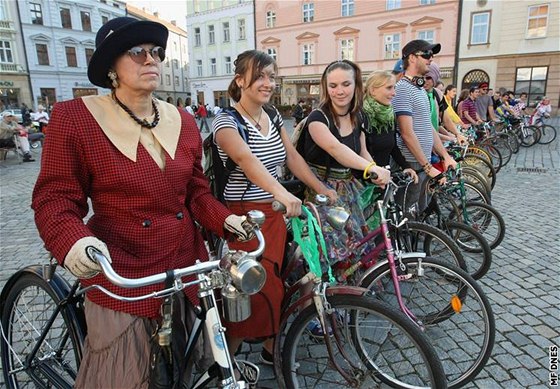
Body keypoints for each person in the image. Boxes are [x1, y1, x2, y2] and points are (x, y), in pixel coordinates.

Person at [31, 17, 254, 388]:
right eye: (137, 52)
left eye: (156, 52)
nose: (151, 59)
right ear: (111, 68)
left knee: (182, 363)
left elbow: (196, 192)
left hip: (184, 260)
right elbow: (54, 197)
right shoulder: (76, 118)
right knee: (125, 371)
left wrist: (226, 220)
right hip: (122, 262)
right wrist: (75, 242)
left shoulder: (181, 119)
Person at [212, 49, 337, 366]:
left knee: (279, 281)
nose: (268, 83)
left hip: (275, 211)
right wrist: (284, 193)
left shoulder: (273, 116)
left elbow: (292, 158)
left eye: (271, 76)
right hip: (245, 218)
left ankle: (270, 348)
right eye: (260, 76)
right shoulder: (227, 121)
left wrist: (321, 189)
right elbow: (246, 161)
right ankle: (226, 356)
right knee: (253, 287)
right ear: (240, 80)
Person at [300, 59, 390, 264]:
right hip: (322, 191)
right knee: (330, 248)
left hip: (350, 189)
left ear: (356, 85)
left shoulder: (358, 115)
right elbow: (337, 150)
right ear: (326, 88)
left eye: (345, 84)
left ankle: (353, 287)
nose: (339, 91)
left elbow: (362, 150)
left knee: (356, 242)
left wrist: (374, 170)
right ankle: (328, 290)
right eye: (333, 86)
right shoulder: (318, 118)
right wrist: (370, 167)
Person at [393, 39, 457, 216]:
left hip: (423, 160)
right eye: (427, 55)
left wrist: (445, 156)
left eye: (432, 55)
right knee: (404, 211)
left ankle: (414, 239)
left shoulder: (420, 90)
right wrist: (427, 167)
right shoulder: (403, 89)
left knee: (417, 209)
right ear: (412, 58)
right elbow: (406, 133)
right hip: (412, 162)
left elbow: (428, 127)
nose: (431, 59)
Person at [363, 70, 418, 183]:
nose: (394, 93)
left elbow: (392, 146)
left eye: (394, 88)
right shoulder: (361, 115)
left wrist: (405, 166)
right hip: (365, 179)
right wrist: (372, 172)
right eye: (389, 88)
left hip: (384, 176)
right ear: (373, 90)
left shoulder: (389, 114)